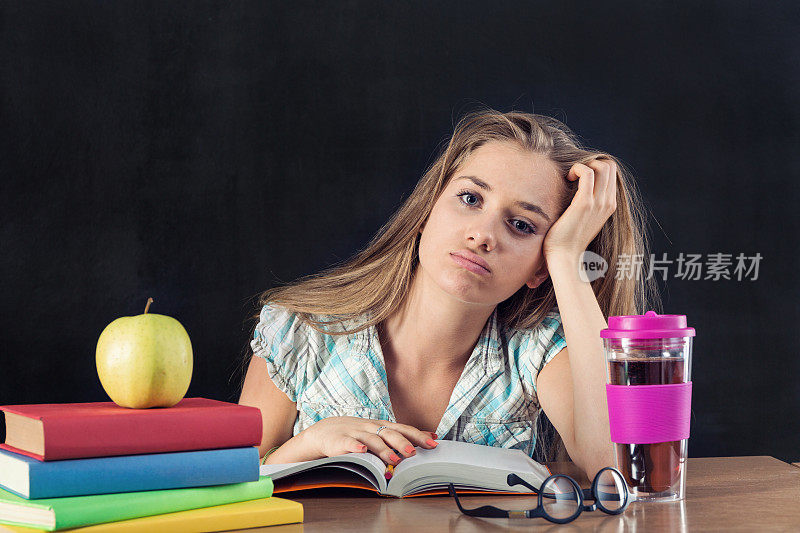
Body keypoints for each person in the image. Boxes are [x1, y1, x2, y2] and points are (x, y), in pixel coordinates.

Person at [238, 107, 660, 480]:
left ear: (539, 269)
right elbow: (230, 490)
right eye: (470, 198)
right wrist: (310, 444)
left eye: (522, 225)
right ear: (426, 211)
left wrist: (568, 258)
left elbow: (616, 468)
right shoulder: (298, 329)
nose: (482, 235)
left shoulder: (538, 349)